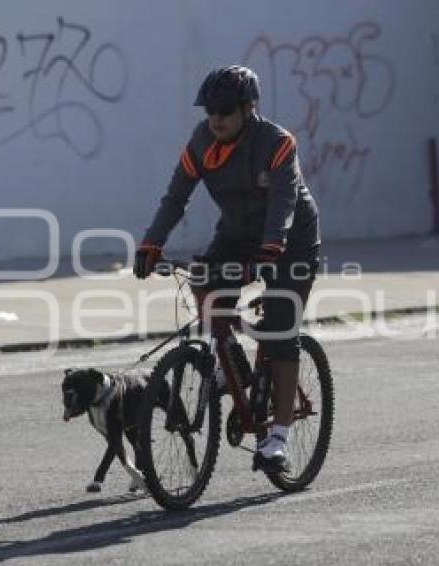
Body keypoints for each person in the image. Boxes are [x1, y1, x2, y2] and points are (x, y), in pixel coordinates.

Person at [133, 65, 321, 473]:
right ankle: (233, 362)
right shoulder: (202, 143)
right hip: (237, 234)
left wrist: (272, 250)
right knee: (202, 279)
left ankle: (277, 439)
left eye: (226, 111)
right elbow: (175, 197)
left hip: (292, 242)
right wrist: (151, 243)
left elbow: (283, 203)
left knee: (279, 329)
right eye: (210, 111)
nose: (216, 119)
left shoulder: (276, 143)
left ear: (248, 109)